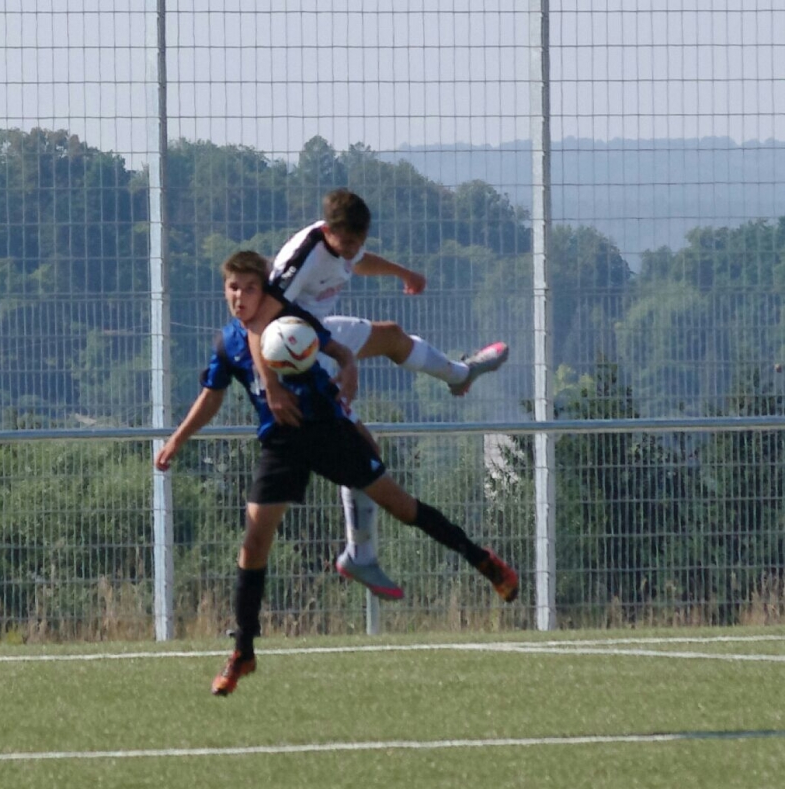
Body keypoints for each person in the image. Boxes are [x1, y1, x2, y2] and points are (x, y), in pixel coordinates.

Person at [154, 250, 519, 697]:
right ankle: (243, 651)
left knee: (403, 507)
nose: (241, 297)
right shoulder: (228, 342)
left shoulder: (291, 322)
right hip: (281, 445)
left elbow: (341, 352)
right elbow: (211, 395)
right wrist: (176, 440)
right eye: (234, 288)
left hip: (328, 432)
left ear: (264, 289)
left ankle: (484, 561)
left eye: (250, 288)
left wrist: (348, 376)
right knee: (253, 542)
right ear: (224, 290)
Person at [248, 188, 510, 602]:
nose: (354, 250)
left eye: (359, 242)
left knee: (391, 336)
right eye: (348, 242)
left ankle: (460, 373)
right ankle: (360, 555)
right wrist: (274, 386)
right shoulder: (303, 258)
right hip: (294, 360)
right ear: (329, 231)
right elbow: (257, 320)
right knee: (364, 449)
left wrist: (403, 273)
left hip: (317, 336)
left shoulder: (344, 245)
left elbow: (358, 260)